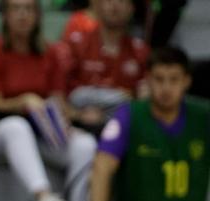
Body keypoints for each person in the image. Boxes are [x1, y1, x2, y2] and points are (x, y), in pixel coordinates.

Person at [0, 0, 97, 201]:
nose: (23, 15)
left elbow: (58, 100)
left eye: (29, 9)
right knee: (17, 127)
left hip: (43, 127)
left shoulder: (50, 52)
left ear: (38, 15)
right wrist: (23, 101)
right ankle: (43, 196)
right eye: (17, 9)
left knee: (84, 144)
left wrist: (73, 118)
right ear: (6, 16)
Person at [89, 46, 208, 201]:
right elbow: (101, 168)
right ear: (147, 80)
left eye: (174, 79)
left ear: (187, 81)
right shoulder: (129, 116)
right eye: (159, 79)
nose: (166, 88)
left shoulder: (203, 117)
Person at [61, 0, 149, 134]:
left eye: (122, 1)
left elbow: (144, 101)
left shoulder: (141, 51)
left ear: (132, 8)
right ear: (96, 4)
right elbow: (58, 94)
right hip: (78, 127)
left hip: (124, 129)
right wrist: (78, 114)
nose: (114, 5)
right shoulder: (75, 43)